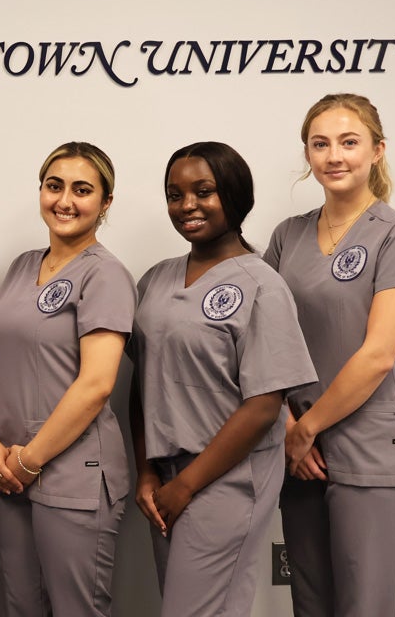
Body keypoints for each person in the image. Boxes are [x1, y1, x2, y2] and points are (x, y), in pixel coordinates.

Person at [127, 142, 317, 615]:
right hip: (164, 479)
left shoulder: (262, 285)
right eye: (175, 194)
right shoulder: (154, 280)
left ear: (235, 195)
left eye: (203, 191)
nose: (187, 205)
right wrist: (147, 472)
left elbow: (262, 408)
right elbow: (143, 382)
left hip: (227, 481)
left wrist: (187, 485)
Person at [266, 94, 395, 617]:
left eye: (348, 142)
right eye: (320, 144)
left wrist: (306, 427)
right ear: (308, 154)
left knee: (367, 607)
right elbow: (262, 342)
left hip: (367, 448)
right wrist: (288, 422)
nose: (334, 155)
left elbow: (378, 355)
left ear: (377, 151)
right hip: (299, 451)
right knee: (310, 604)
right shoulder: (287, 236)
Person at [0, 142, 134, 617]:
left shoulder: (106, 276)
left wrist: (30, 459)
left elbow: (97, 384)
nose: (64, 200)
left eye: (82, 190)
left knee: (74, 609)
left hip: (72, 474)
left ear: (105, 203)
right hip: (7, 470)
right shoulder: (23, 265)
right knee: (22, 606)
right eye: (54, 186)